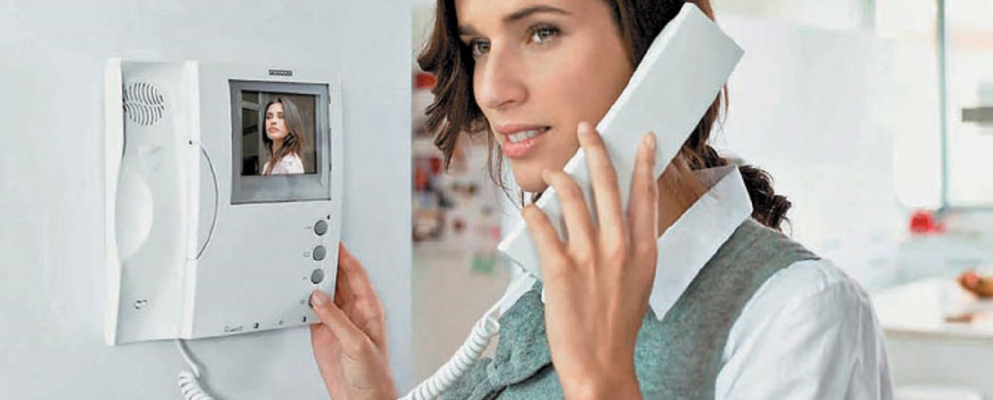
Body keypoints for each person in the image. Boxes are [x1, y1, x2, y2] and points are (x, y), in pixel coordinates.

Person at [307, 0, 894, 399]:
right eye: (480, 44)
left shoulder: (802, 311)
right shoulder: (543, 290)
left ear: (664, 50)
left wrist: (600, 381)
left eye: (541, 32)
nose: (492, 88)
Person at [261, 97, 307, 175]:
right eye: (269, 117)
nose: (273, 121)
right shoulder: (268, 164)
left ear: (291, 122)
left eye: (281, 117)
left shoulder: (291, 163)